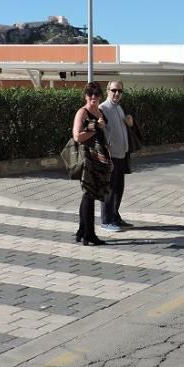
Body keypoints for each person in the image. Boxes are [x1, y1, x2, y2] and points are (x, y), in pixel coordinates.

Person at [72, 82, 112, 246]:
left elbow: (104, 134)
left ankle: (82, 231)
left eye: (96, 94)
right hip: (87, 156)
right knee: (89, 193)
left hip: (100, 158)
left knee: (90, 194)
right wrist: (95, 126)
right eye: (90, 94)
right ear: (85, 96)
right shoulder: (82, 112)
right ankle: (89, 234)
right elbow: (77, 136)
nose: (93, 97)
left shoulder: (100, 111)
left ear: (101, 96)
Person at [99, 80, 135, 232]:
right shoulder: (103, 108)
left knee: (119, 188)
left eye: (120, 91)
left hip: (121, 155)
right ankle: (106, 220)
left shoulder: (119, 108)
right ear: (107, 91)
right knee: (109, 189)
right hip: (110, 156)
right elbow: (98, 131)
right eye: (114, 90)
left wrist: (130, 123)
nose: (117, 93)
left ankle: (115, 216)